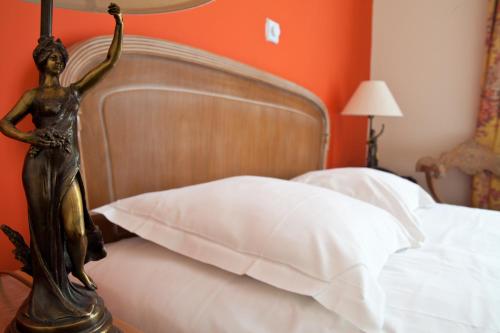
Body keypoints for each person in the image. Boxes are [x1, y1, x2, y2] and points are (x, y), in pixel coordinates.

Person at [0, 3, 122, 322]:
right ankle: (48, 288)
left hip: (66, 164)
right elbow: (5, 123)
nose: (57, 59)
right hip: (39, 166)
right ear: (42, 61)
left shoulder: (74, 93)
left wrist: (119, 24)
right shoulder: (33, 96)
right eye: (52, 56)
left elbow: (110, 62)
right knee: (43, 230)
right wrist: (31, 138)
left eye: (59, 56)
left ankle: (78, 271)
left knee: (75, 229)